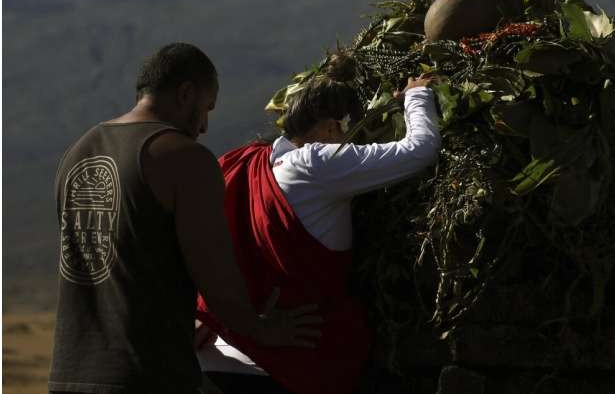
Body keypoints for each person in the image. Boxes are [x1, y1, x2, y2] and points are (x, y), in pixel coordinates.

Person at [49, 43, 322, 394]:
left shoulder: (79, 150)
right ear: (186, 93)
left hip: (68, 374)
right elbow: (213, 270)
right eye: (206, 108)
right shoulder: (183, 158)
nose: (205, 126)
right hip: (146, 377)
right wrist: (262, 328)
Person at [196, 60, 441, 394]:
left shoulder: (249, 161)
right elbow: (419, 151)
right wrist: (417, 97)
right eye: (348, 132)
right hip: (284, 366)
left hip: (216, 357)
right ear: (329, 128)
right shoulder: (318, 161)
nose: (351, 145)